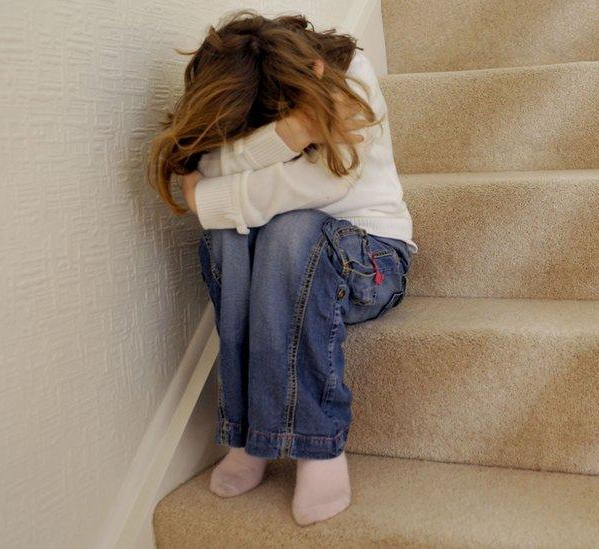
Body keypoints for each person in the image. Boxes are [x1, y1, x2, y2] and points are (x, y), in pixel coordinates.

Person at [147, 10, 416, 526]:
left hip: (370, 261)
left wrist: (210, 198)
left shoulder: (348, 76)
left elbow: (323, 186)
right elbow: (200, 161)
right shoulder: (246, 89)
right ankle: (252, 437)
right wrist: (288, 135)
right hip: (281, 268)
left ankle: (318, 446)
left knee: (292, 226)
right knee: (230, 235)